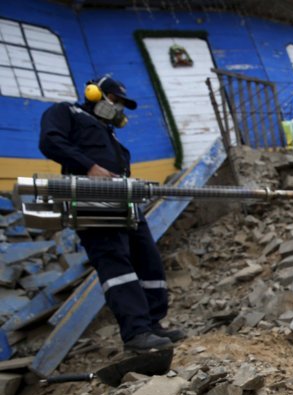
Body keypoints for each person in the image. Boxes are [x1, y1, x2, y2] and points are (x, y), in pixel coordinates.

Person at [39, 74, 185, 352]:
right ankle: (136, 332)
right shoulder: (66, 112)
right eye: (114, 100)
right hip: (91, 199)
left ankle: (153, 323)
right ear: (94, 93)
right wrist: (88, 165)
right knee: (115, 263)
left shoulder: (108, 131)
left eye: (121, 104)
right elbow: (49, 141)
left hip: (123, 199)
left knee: (148, 260)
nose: (116, 107)